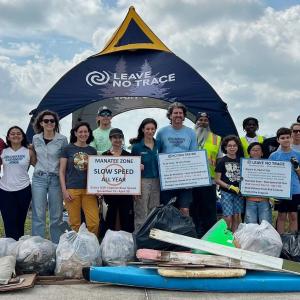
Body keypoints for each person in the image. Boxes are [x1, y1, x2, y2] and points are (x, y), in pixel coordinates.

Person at [31, 110, 68, 243]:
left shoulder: (62, 139)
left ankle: (57, 245)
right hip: (39, 178)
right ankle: (37, 246)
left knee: (56, 215)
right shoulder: (36, 138)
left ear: (55, 123)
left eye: (52, 121)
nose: (49, 123)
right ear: (41, 123)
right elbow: (34, 158)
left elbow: (65, 160)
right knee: (38, 213)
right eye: (46, 121)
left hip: (55, 179)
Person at [156, 102, 197, 216]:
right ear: (170, 115)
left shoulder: (191, 132)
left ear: (184, 116)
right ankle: (166, 233)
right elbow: (156, 152)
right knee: (166, 209)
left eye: (180, 113)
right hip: (167, 178)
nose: (178, 115)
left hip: (186, 179)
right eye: (175, 113)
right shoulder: (161, 132)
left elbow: (194, 155)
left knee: (185, 210)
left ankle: (184, 233)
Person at [59, 122, 99, 236]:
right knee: (74, 224)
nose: (83, 134)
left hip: (89, 191)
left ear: (89, 133)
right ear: (75, 133)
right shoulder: (67, 149)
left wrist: (98, 189)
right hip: (72, 190)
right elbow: (61, 171)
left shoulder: (92, 151)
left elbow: (95, 172)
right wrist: (64, 191)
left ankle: (91, 245)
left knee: (94, 222)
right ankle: (75, 248)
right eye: (80, 132)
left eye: (85, 131)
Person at [0, 126, 36, 240]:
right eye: (12, 134)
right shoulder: (3, 152)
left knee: (20, 221)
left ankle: (18, 248)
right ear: (8, 137)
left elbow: (39, 166)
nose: (16, 135)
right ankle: (11, 247)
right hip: (5, 190)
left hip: (24, 189)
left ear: (22, 136)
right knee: (9, 221)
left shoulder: (29, 151)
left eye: (18, 133)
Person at [191, 112, 222, 237]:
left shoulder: (216, 138)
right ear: (196, 122)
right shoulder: (189, 136)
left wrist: (219, 178)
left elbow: (219, 159)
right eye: (200, 120)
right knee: (194, 207)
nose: (203, 122)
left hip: (210, 179)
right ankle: (195, 232)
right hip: (191, 179)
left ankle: (209, 234)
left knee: (209, 208)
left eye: (205, 120)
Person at [102, 128, 134, 232]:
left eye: (120, 137)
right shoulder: (104, 155)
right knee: (110, 218)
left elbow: (133, 175)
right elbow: (99, 175)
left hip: (126, 193)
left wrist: (138, 166)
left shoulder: (129, 156)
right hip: (109, 193)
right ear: (110, 139)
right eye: (115, 137)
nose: (117, 140)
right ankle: (108, 242)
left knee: (126, 219)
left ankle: (127, 242)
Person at [130, 118, 160, 230]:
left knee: (154, 210)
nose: (150, 131)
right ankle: (139, 237)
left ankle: (151, 238)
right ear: (143, 129)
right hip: (142, 181)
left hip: (157, 181)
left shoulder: (159, 145)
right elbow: (131, 169)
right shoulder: (137, 147)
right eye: (147, 129)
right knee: (141, 211)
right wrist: (134, 188)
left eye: (153, 129)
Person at [269, 127, 300, 234]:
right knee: (281, 215)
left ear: (291, 138)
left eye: (288, 137)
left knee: (293, 215)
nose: (286, 140)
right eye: (282, 138)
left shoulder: (298, 154)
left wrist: (296, 167)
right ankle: (281, 239)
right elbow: (269, 174)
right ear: (278, 140)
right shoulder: (274, 155)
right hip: (280, 191)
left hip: (295, 189)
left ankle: (293, 241)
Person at [215, 135, 244, 232]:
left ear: (237, 147)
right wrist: (229, 186)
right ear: (225, 147)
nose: (232, 148)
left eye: (234, 145)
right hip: (226, 193)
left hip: (238, 193)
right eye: (229, 146)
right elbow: (217, 179)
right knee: (228, 216)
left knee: (236, 216)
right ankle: (225, 235)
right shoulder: (222, 161)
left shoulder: (241, 160)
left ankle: (234, 237)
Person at [244, 142, 272, 224]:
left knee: (265, 225)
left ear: (262, 153)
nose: (256, 151)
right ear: (249, 153)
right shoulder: (244, 166)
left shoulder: (269, 166)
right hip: (250, 200)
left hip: (264, 200)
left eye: (258, 150)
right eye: (253, 150)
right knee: (250, 226)